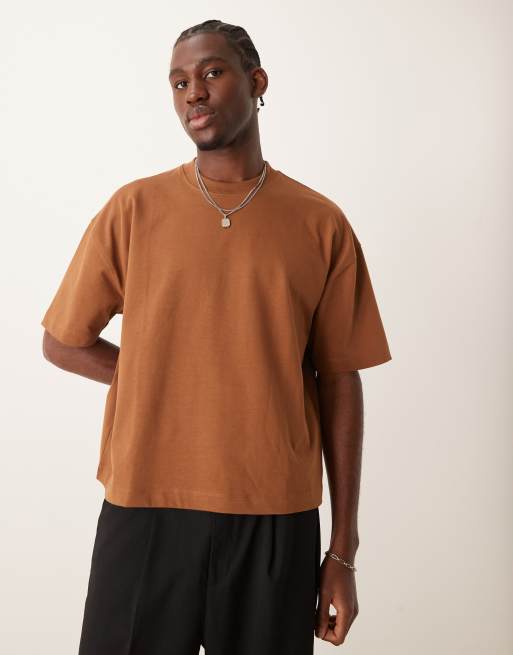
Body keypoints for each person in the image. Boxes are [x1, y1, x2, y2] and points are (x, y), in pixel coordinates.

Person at [41, 19, 392, 655]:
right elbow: (63, 341)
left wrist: (343, 551)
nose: (193, 93)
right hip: (146, 508)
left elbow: (341, 380)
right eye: (179, 83)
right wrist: (158, 373)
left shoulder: (321, 224)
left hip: (275, 519)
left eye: (211, 73)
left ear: (257, 83)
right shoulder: (134, 210)